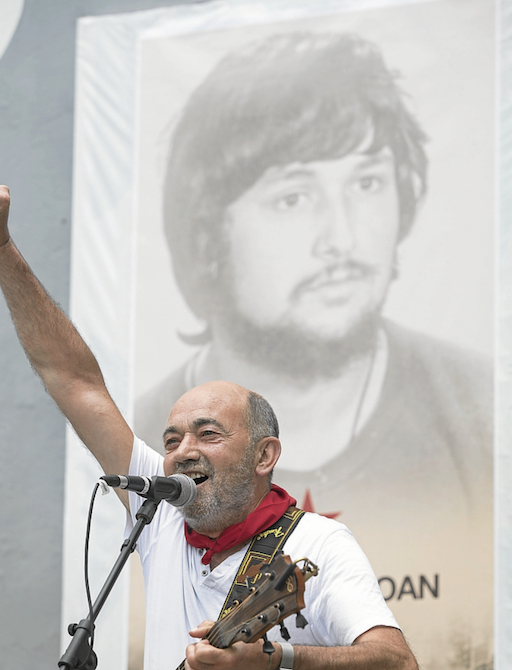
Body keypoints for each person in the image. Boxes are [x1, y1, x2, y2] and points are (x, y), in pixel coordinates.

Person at [0, 182, 420, 670]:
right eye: (171, 438)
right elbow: (71, 379)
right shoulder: (160, 520)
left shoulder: (318, 546)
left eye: (208, 433)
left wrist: (274, 660)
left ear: (265, 454)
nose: (179, 450)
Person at [135, 30, 492, 522]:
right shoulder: (143, 447)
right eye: (293, 198)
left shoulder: (486, 411)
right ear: (207, 232)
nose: (342, 239)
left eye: (367, 184)